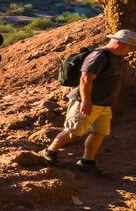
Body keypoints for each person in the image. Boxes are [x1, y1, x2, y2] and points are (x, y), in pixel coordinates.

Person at [41, 29, 136, 175]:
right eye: (130, 46)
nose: (131, 50)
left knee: (100, 132)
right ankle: (50, 151)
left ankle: (87, 161)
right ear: (119, 43)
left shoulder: (116, 57)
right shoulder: (99, 56)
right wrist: (86, 102)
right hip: (87, 102)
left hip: (104, 104)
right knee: (74, 132)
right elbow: (85, 78)